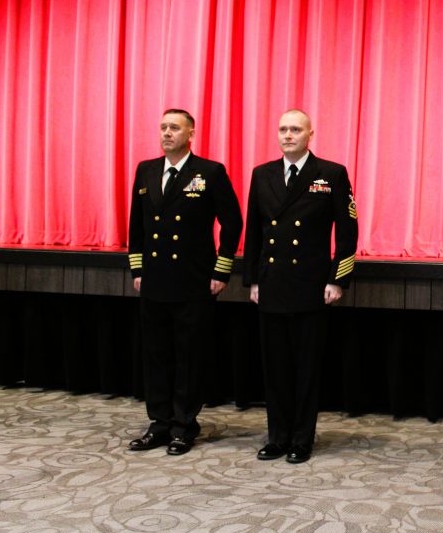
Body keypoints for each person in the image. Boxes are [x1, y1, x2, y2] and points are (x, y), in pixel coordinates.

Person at [244, 109, 358, 464]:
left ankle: (301, 439)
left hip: (311, 286)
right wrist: (252, 280)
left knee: (306, 368)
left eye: (295, 129)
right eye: (282, 129)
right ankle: (277, 437)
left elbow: (348, 231)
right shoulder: (262, 174)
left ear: (311, 134)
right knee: (274, 367)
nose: (288, 135)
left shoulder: (330, 174)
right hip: (273, 285)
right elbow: (254, 234)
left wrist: (337, 278)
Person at [126, 108, 243, 456]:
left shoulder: (208, 172)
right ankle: (159, 423)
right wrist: (138, 270)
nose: (166, 133)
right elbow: (137, 225)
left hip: (193, 281)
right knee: (157, 355)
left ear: (190, 133)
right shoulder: (146, 170)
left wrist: (221, 272)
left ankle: (183, 425)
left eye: (174, 128)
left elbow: (232, 223)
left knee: (189, 356)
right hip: (155, 281)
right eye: (162, 127)